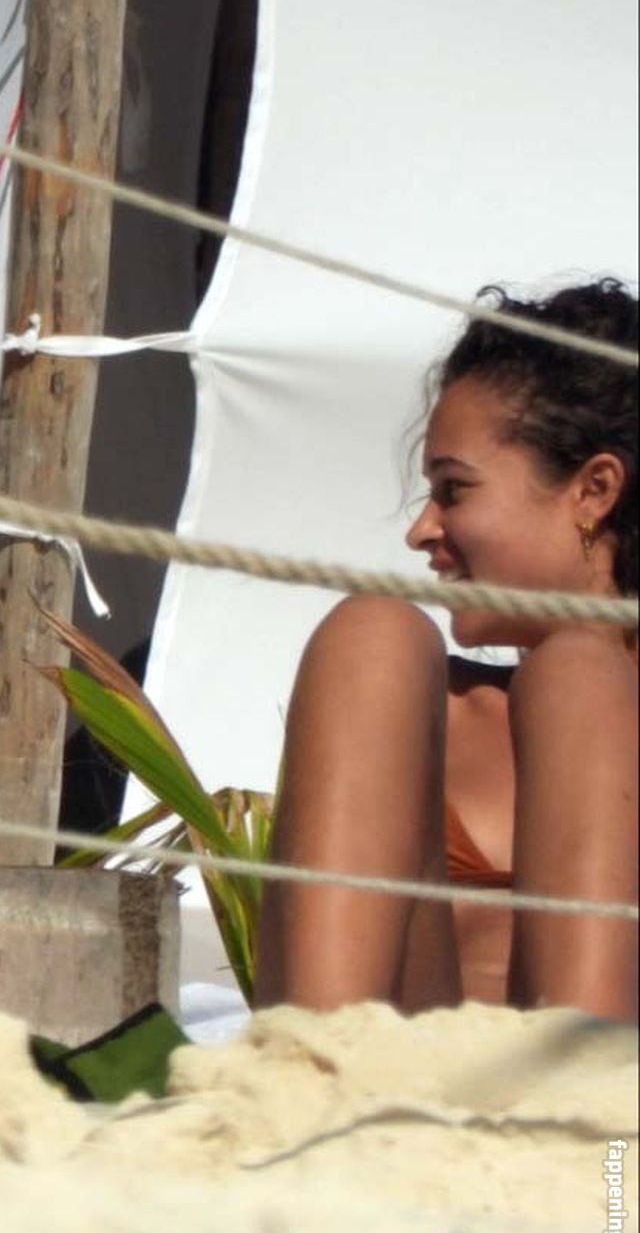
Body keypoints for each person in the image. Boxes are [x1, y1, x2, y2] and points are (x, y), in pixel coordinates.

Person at [254, 279, 637, 1022]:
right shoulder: (419, 710)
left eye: (453, 490)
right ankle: (310, 1069)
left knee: (581, 675)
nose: (422, 530)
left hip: (610, 1094)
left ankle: (591, 1097)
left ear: (593, 491)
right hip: (396, 1084)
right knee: (373, 630)